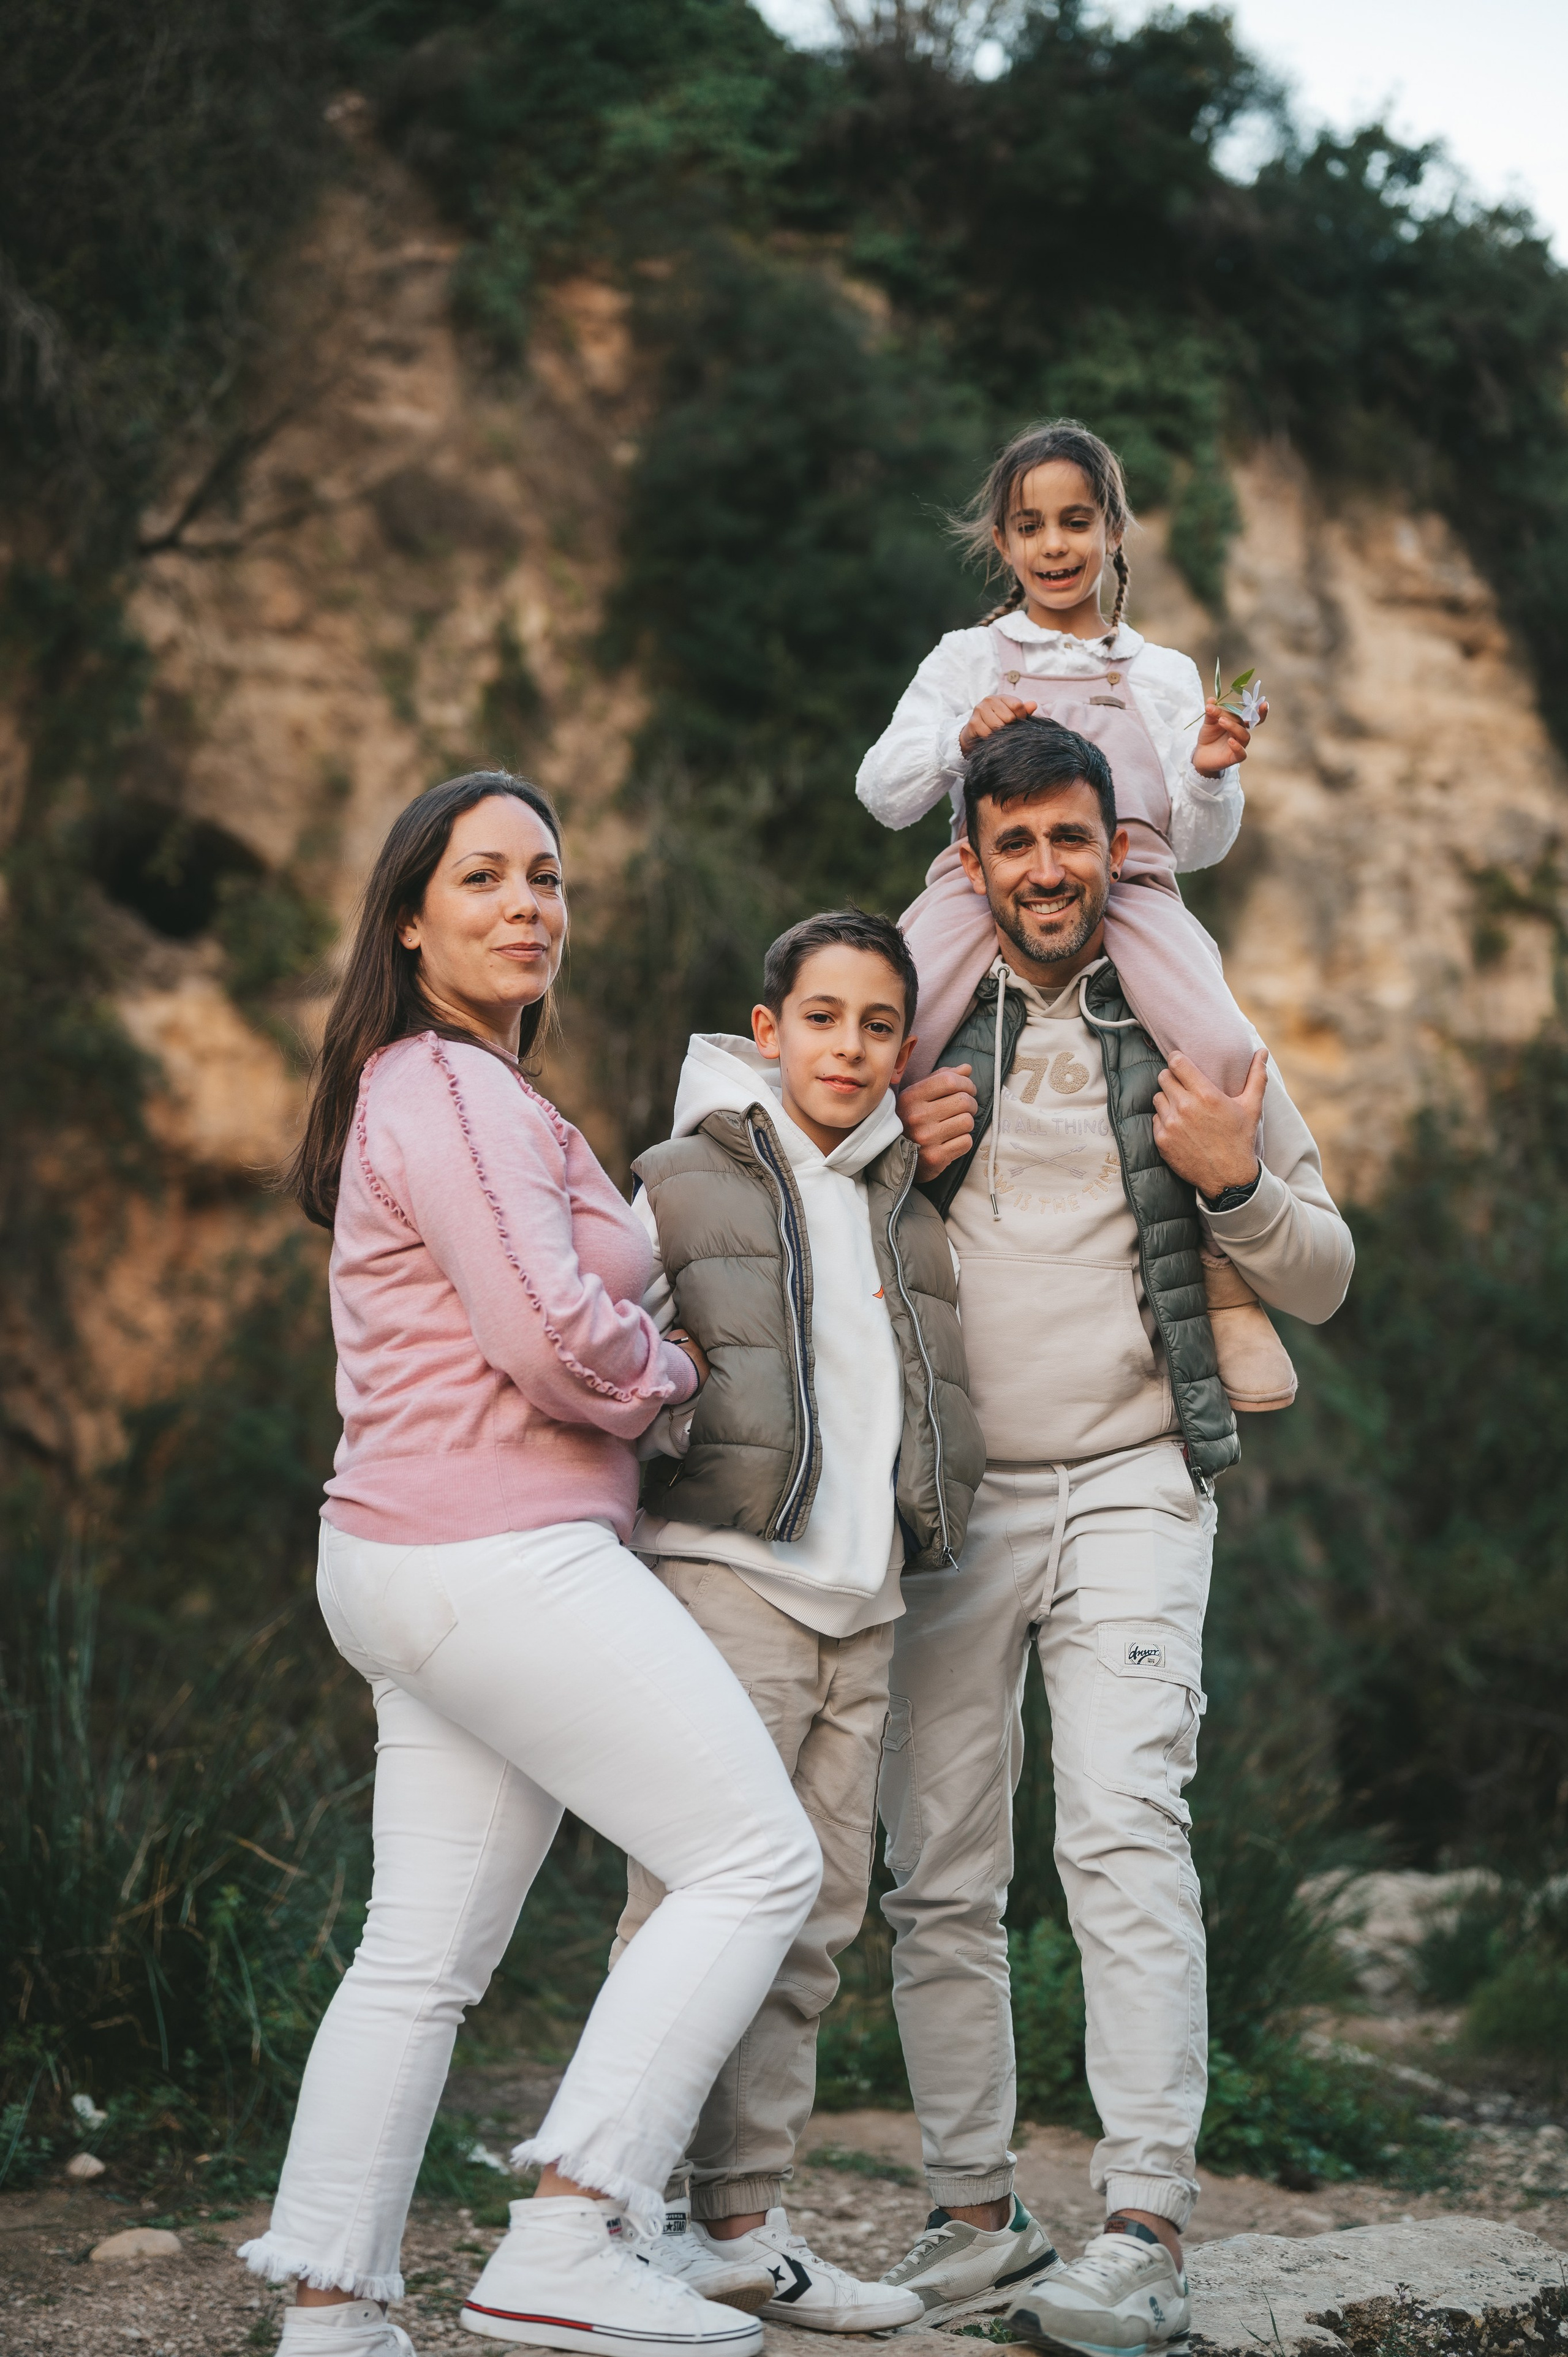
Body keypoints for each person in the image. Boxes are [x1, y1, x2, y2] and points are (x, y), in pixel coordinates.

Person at [239, 770, 822, 2357]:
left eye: (546, 878)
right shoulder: (448, 1087)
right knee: (755, 1860)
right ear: (409, 919)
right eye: (485, 877)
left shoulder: (456, 1088)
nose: (527, 906)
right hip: (491, 1553)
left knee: (418, 1961)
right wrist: (674, 1372)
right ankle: (569, 2233)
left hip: (418, 1560)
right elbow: (553, 1336)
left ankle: (332, 2314)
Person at [868, 720, 1354, 2352]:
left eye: (1070, 837)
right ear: (972, 862)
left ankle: (1143, 2228)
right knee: (938, 1870)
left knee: (1125, 1832)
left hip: (1139, 1479)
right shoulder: (917, 1032)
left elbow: (1326, 1270)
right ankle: (972, 2218)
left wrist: (1233, 1187)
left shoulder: (1193, 1027)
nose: (1046, 868)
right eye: (1014, 843)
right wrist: (898, 1158)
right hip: (953, 1499)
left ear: (1114, 846)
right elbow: (805, 1233)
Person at [617, 909, 996, 2332]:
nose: (848, 1047)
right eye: (822, 1018)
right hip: (728, 1586)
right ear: (767, 1030)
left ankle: (739, 2224)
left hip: (863, 1605)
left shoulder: (900, 1195)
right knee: (686, 1906)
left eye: (877, 1024)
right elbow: (601, 1352)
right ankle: (611, 2218)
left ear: (903, 1045)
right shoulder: (678, 1179)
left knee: (814, 1921)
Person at [856, 416, 1294, 1414]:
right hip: (980, 889)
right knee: (881, 1035)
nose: (1055, 546)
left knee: (1226, 1049)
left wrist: (1211, 774)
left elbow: (1199, 843)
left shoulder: (1162, 673)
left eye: (1076, 522)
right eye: (1032, 526)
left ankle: (1225, 1278)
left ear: (1113, 532)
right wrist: (956, 740)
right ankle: (862, 1251)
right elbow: (881, 793)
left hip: (1131, 885)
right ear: (1002, 543)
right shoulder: (968, 657)